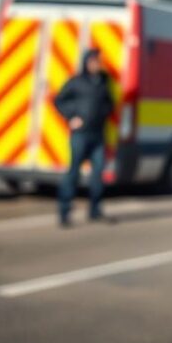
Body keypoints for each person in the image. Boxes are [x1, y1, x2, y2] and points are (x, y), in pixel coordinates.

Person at [54, 49, 114, 227]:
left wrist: (104, 113)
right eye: (93, 61)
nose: (96, 65)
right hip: (80, 134)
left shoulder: (103, 81)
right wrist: (71, 116)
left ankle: (95, 210)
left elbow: (109, 103)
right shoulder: (77, 82)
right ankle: (64, 211)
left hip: (98, 135)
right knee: (73, 173)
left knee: (97, 175)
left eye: (98, 62)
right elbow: (59, 100)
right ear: (86, 63)